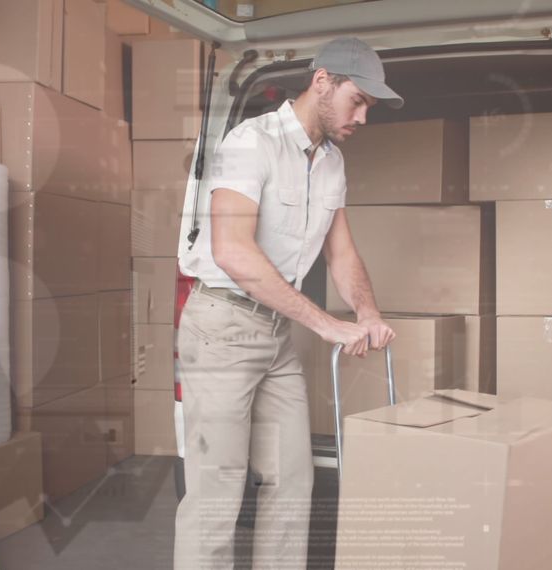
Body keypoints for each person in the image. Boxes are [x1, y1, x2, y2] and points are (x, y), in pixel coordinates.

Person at [174, 37, 403, 569]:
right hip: (222, 331)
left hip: (275, 337)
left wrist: (365, 313)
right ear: (322, 81)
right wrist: (325, 324)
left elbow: (341, 253)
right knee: (218, 491)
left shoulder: (331, 163)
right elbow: (232, 251)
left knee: (294, 480)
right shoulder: (251, 143)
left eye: (369, 106)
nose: (363, 117)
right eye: (358, 101)